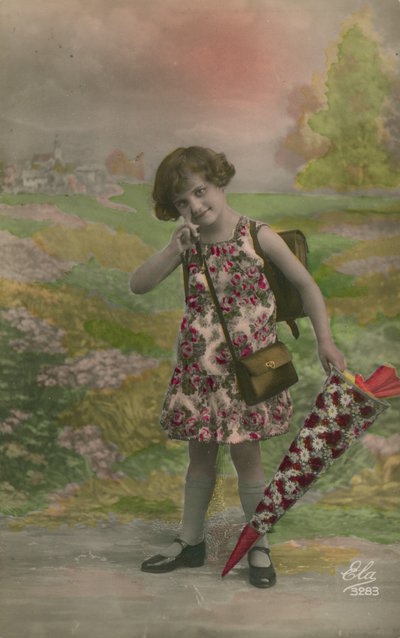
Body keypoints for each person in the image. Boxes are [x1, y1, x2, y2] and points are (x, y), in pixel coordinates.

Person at [130, 146, 345, 588]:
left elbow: (307, 286)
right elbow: (139, 285)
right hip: (200, 373)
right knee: (200, 459)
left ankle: (257, 542)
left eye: (201, 192)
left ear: (219, 182)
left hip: (248, 373)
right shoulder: (187, 245)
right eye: (182, 203)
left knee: (247, 458)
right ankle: (191, 541)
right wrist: (174, 249)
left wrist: (325, 340)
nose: (196, 206)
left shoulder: (257, 235)